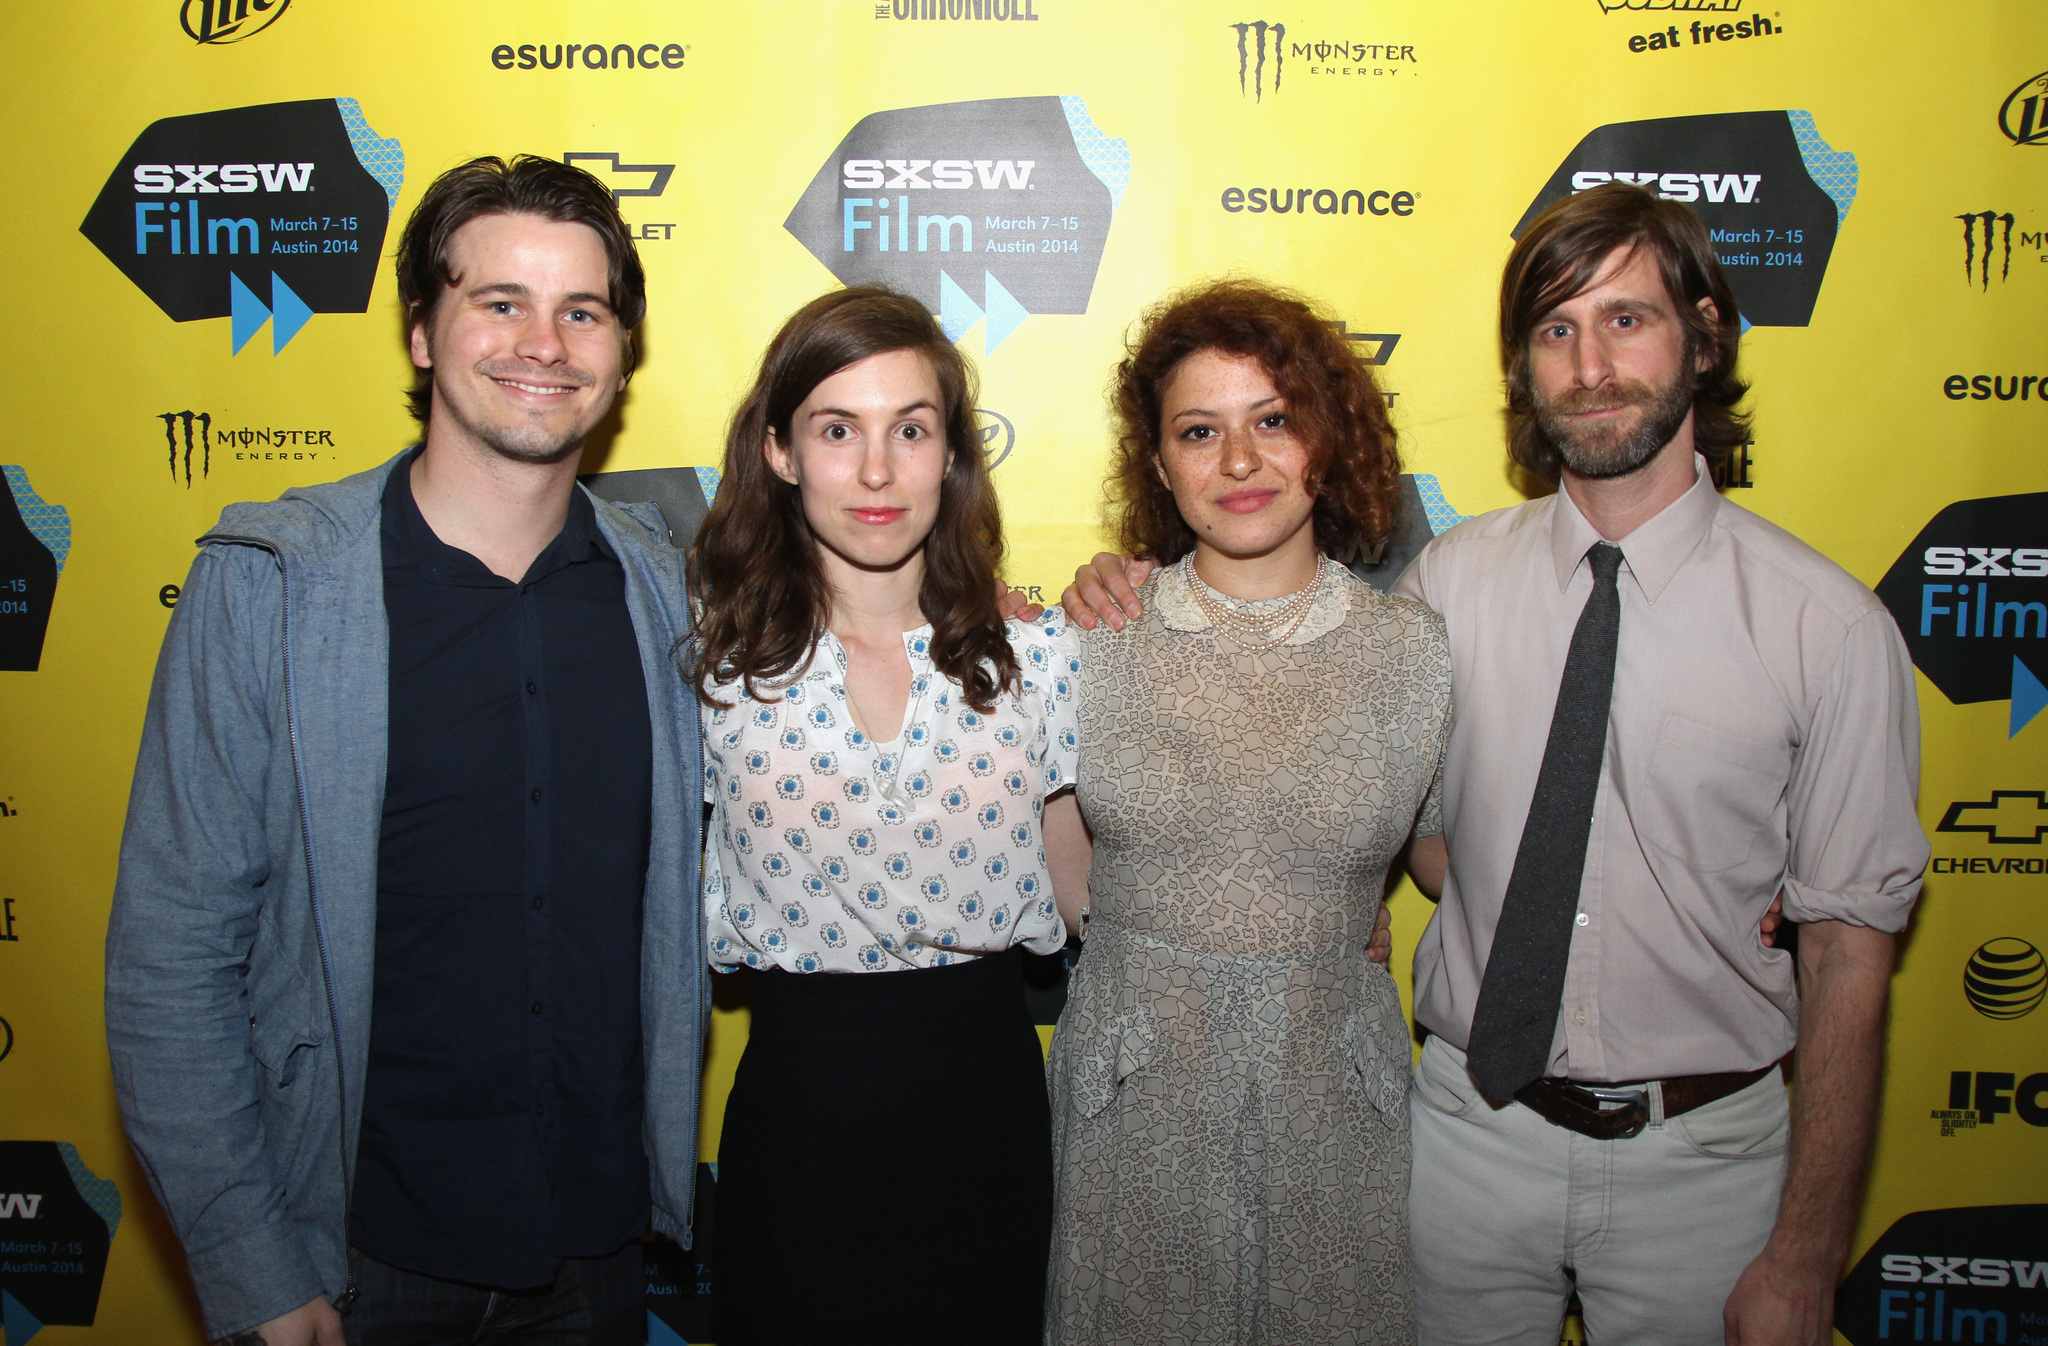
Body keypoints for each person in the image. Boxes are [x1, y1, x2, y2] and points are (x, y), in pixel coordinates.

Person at [1065, 184, 1927, 1346]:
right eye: (1554, 330)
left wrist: (1810, 1249)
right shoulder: (1439, 597)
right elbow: (1397, 837)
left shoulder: (1826, 627)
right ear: (1521, 366)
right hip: (1462, 1138)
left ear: (1705, 334)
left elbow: (1848, 958)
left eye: (1626, 319)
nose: (1589, 363)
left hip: (1707, 1155)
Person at [104, 156, 708, 1346]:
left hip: (597, 1247)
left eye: (581, 310)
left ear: (619, 351)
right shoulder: (268, 588)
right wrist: (251, 1264)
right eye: (499, 301)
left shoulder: (669, 597)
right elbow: (169, 963)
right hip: (353, 1259)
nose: (543, 341)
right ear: (423, 333)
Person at [1045, 280, 1448, 1345]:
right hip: (1132, 1098)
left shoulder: (1415, 655)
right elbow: (1060, 872)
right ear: (1158, 459)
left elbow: (1458, 865)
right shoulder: (1089, 639)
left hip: (1333, 1104)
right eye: (1198, 430)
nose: (1237, 462)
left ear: (1328, 435)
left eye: (1272, 420)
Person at [689, 286, 1081, 1346]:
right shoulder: (708, 669)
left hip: (985, 1104)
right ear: (778, 451)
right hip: (796, 1114)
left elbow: (1092, 892)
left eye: (909, 429)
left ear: (950, 452)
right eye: (836, 429)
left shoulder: (1036, 658)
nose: (875, 471)